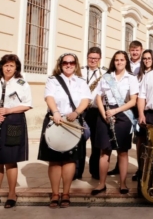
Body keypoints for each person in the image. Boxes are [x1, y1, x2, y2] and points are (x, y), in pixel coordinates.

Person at [38, 53, 91, 208]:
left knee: (69, 159)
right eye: (65, 62)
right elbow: (49, 97)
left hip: (73, 121)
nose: (68, 65)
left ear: (76, 64)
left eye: (72, 62)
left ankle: (66, 193)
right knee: (54, 160)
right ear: (60, 64)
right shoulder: (52, 80)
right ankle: (55, 194)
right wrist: (55, 112)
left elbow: (85, 100)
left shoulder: (81, 82)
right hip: (55, 121)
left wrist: (76, 113)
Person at [91, 51, 138, 196]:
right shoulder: (106, 77)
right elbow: (98, 96)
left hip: (123, 114)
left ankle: (123, 183)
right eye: (116, 60)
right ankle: (101, 184)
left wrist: (115, 111)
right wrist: (104, 113)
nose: (119, 62)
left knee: (122, 151)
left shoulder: (131, 78)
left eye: (122, 60)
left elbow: (133, 101)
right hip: (105, 113)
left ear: (126, 62)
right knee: (104, 151)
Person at [0, 54, 32, 209]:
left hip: (13, 122)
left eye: (11, 65)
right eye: (5, 65)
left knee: (10, 160)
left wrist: (8, 110)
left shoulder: (22, 83)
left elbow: (27, 104)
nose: (8, 68)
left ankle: (12, 193)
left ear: (16, 67)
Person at [108, 41, 142, 176]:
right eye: (132, 50)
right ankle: (118, 167)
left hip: (132, 105)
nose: (134, 52)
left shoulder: (142, 66)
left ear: (141, 50)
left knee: (134, 140)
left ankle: (140, 169)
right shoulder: (111, 74)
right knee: (115, 140)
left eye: (137, 50)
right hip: (118, 108)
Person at [80, 47, 106, 180]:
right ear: (87, 58)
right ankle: (77, 171)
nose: (93, 60)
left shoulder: (105, 73)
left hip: (96, 111)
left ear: (100, 59)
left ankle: (95, 171)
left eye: (96, 58)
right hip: (81, 110)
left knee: (96, 143)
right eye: (91, 58)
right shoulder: (80, 71)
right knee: (79, 142)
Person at [132, 49, 153, 181]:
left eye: (149, 58)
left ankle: (150, 168)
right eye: (145, 58)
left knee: (151, 142)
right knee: (140, 142)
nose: (147, 61)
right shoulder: (138, 74)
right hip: (139, 111)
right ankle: (140, 168)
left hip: (151, 111)